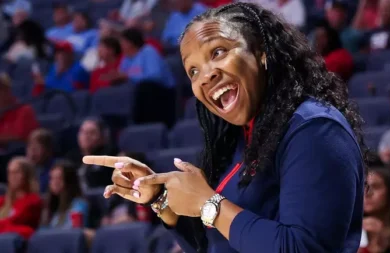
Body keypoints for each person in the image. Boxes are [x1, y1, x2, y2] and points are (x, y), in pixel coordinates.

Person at [83, 3, 366, 253]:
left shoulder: (313, 130)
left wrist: (212, 205)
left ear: (261, 52)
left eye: (218, 52)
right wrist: (160, 198)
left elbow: (303, 248)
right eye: (193, 71)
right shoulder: (240, 140)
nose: (206, 75)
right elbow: (219, 242)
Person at [0, 157, 41, 239]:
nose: (12, 176)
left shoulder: (33, 201)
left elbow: (15, 222)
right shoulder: (3, 200)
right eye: (10, 172)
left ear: (27, 175)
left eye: (16, 172)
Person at [40, 160, 88, 229]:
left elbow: (75, 232)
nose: (55, 183)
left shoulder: (79, 205)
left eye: (59, 178)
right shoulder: (49, 206)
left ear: (69, 181)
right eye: (52, 178)